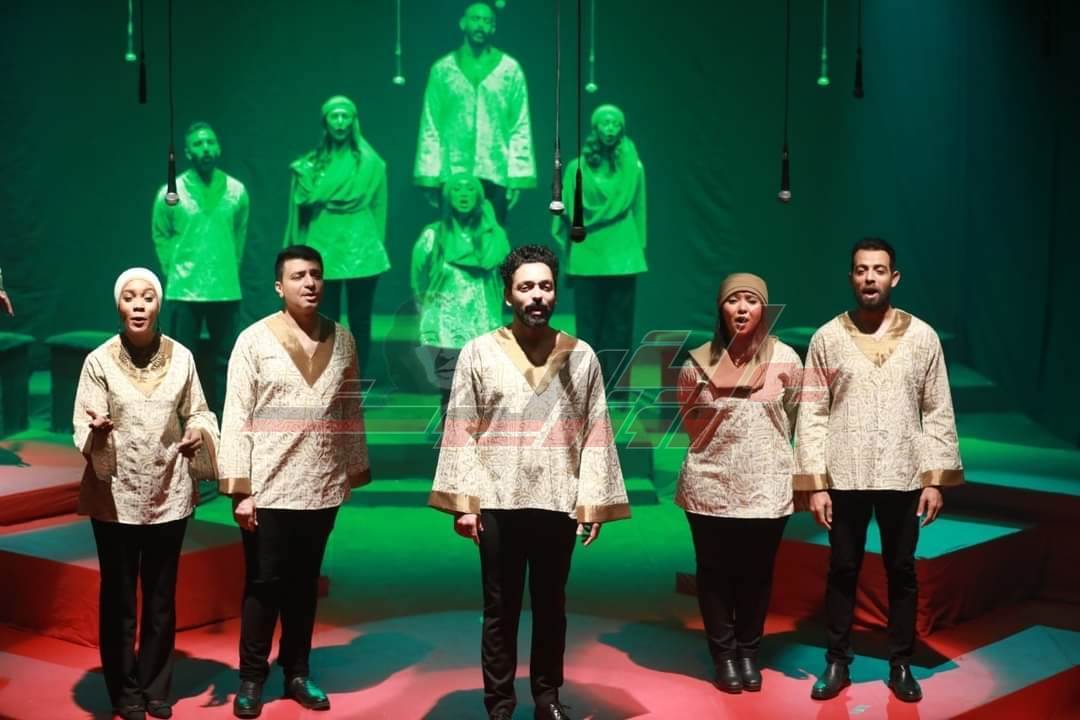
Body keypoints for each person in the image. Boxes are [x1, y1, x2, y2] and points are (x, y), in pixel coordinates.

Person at [428, 244, 630, 720]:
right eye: (526, 287)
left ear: (555, 293)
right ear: (508, 295)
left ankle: (547, 698)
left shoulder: (581, 355)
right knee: (499, 609)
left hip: (557, 499)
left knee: (551, 606)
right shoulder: (479, 353)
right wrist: (464, 503)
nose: (537, 295)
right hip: (497, 501)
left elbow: (596, 430)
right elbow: (461, 428)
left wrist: (592, 500)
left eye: (545, 286)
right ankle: (499, 704)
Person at [795, 237, 964, 703]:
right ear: (851, 277)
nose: (870, 278)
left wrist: (934, 478)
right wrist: (816, 483)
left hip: (903, 473)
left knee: (901, 569)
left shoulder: (922, 337)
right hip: (845, 473)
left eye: (879, 269)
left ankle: (901, 663)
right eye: (861, 269)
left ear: (894, 277)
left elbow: (937, 408)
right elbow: (812, 412)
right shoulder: (827, 338)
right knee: (842, 568)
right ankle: (837, 661)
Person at [219, 245, 371, 718]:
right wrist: (241, 490)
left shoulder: (342, 339)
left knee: (305, 585)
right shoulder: (253, 340)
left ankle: (297, 671)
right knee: (264, 583)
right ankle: (251, 677)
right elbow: (236, 415)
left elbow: (349, 409)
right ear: (278, 286)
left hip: (320, 485)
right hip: (268, 487)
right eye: (299, 276)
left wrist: (350, 470)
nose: (310, 283)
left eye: (316, 275)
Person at [73, 267, 219, 720]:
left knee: (160, 596)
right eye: (130, 297)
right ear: (118, 305)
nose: (139, 304)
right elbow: (83, 422)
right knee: (118, 598)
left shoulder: (182, 357)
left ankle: (156, 687)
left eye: (148, 297)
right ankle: (124, 690)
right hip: (114, 497)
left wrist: (197, 432)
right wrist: (97, 431)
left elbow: (199, 411)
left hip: (168, 491)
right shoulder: (98, 361)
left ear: (159, 305)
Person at [675, 273, 801, 694]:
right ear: (721, 308)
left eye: (751, 300)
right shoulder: (696, 364)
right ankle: (724, 655)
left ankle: (749, 652)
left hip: (767, 486)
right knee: (714, 573)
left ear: (764, 308)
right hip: (708, 486)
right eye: (733, 300)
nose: (742, 308)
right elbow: (691, 423)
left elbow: (798, 418)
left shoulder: (786, 359)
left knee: (757, 573)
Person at [285, 96, 388, 376]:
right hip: (323, 243)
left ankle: (357, 378)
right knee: (324, 317)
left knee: (360, 318)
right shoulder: (310, 165)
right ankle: (328, 376)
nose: (340, 122)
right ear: (326, 122)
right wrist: (296, 251)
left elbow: (379, 209)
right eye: (335, 116)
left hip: (360, 246)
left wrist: (374, 244)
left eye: (346, 116)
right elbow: (298, 215)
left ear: (354, 121)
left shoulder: (371, 163)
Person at [152, 121, 250, 414]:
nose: (205, 148)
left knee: (226, 358)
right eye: (198, 144)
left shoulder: (236, 190)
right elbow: (161, 234)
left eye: (210, 142)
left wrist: (228, 268)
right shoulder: (172, 192)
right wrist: (174, 270)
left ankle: (224, 418)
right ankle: (184, 418)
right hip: (185, 289)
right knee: (182, 359)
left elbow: (239, 235)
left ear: (218, 148)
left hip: (225, 288)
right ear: (187, 152)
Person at [415, 1, 536, 224]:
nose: (481, 25)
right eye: (475, 19)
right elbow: (431, 123)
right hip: (452, 170)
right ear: (463, 23)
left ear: (493, 28)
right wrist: (429, 174)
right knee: (451, 235)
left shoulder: (510, 70)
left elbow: (519, 124)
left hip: (495, 170)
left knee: (493, 236)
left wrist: (517, 176)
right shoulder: (443, 70)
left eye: (487, 21)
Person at [552, 104, 646, 383]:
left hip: (623, 255)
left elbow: (640, 212)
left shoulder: (633, 168)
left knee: (620, 327)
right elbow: (566, 212)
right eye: (605, 123)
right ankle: (589, 385)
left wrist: (638, 248)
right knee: (589, 326)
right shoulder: (576, 168)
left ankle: (617, 387)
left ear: (622, 129)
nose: (610, 129)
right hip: (588, 253)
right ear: (595, 128)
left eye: (616, 123)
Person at [410, 172, 510, 417]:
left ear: (480, 196)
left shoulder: (494, 237)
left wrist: (490, 225)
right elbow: (419, 278)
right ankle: (450, 436)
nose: (463, 194)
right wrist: (427, 309)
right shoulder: (433, 235)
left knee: (482, 391)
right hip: (444, 325)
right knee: (449, 391)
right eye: (457, 189)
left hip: (482, 323)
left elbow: (504, 274)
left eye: (470, 189)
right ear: (447, 196)